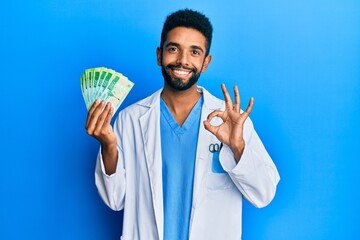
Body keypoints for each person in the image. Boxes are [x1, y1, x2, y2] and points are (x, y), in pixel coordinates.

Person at [85, 9, 280, 240]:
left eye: (194, 52)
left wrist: (238, 147)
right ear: (159, 55)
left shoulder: (231, 120)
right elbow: (114, 200)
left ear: (206, 62)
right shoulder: (130, 120)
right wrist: (108, 146)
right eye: (173, 48)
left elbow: (264, 194)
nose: (182, 60)